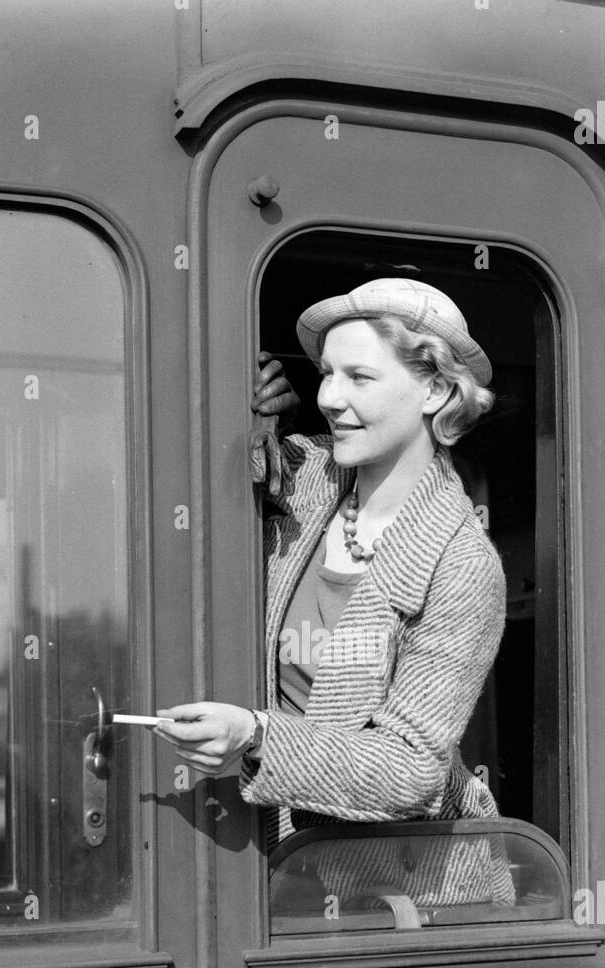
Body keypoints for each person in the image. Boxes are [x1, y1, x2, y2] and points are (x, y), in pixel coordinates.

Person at [154, 278, 514, 909]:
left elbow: (409, 772)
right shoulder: (309, 479)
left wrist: (256, 737)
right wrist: (257, 403)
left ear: (433, 389)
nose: (330, 397)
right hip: (281, 865)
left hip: (411, 898)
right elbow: (223, 452)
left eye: (360, 378)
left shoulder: (465, 564)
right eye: (325, 374)